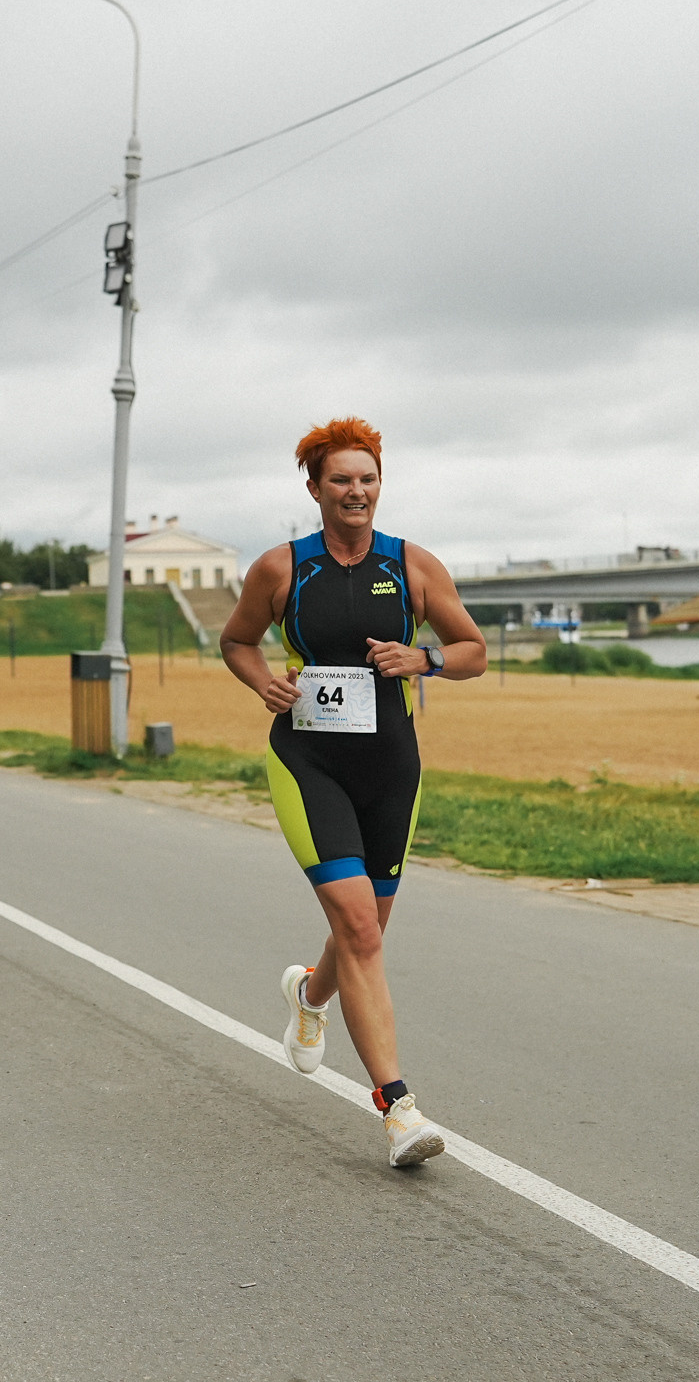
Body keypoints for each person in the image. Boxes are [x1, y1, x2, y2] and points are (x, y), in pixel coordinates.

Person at [220, 417, 488, 1168]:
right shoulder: (281, 569)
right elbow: (236, 640)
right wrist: (261, 680)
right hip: (309, 763)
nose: (356, 491)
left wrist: (423, 659)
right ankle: (398, 1108)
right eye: (341, 479)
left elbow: (474, 651)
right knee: (360, 929)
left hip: (391, 768)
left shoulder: (413, 566)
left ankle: (310, 997)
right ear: (314, 488)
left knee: (367, 927)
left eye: (367, 479)